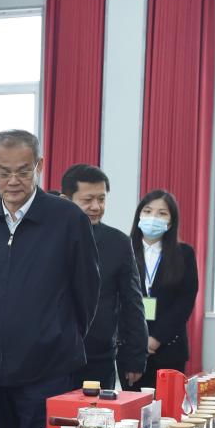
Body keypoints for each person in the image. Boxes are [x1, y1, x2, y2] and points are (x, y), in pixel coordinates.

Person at [0, 130, 100, 428]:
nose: (13, 181)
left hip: (47, 368)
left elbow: (87, 290)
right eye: (4, 172)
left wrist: (58, 334)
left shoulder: (67, 218)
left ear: (39, 165)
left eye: (23, 171)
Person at [61, 164, 148, 391]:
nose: (96, 207)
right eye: (87, 200)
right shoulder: (48, 238)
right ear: (66, 200)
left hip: (98, 356)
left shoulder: (118, 243)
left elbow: (133, 302)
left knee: (97, 412)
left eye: (101, 199)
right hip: (52, 356)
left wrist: (135, 355)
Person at [127, 190, 199, 389]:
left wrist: (156, 338)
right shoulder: (124, 248)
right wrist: (137, 342)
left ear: (170, 221)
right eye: (148, 211)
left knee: (169, 406)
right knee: (133, 406)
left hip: (169, 347)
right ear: (139, 215)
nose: (153, 217)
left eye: (162, 213)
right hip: (131, 348)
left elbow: (185, 300)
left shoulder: (184, 254)